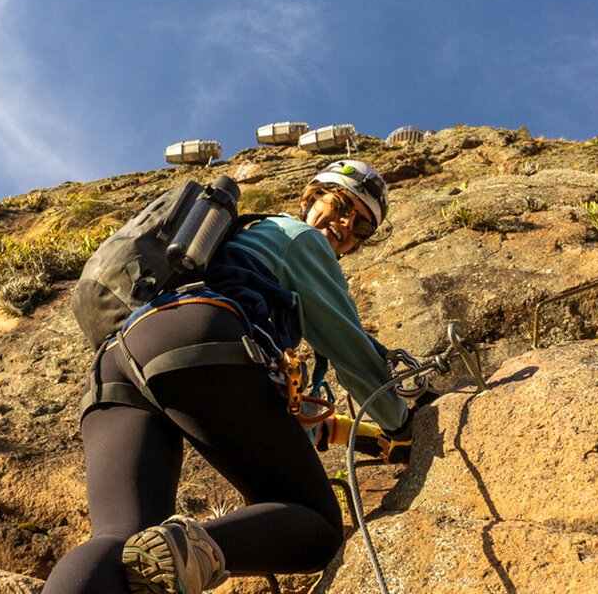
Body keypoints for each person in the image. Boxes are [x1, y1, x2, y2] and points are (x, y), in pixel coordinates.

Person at [43, 159, 413, 594]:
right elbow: (351, 349)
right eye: (342, 205)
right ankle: (180, 550)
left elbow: (275, 427)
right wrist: (402, 424)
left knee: (117, 538)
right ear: (311, 198)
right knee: (314, 521)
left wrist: (369, 437)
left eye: (362, 226)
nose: (347, 224)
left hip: (117, 361)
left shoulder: (227, 241)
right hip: (196, 337)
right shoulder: (300, 238)